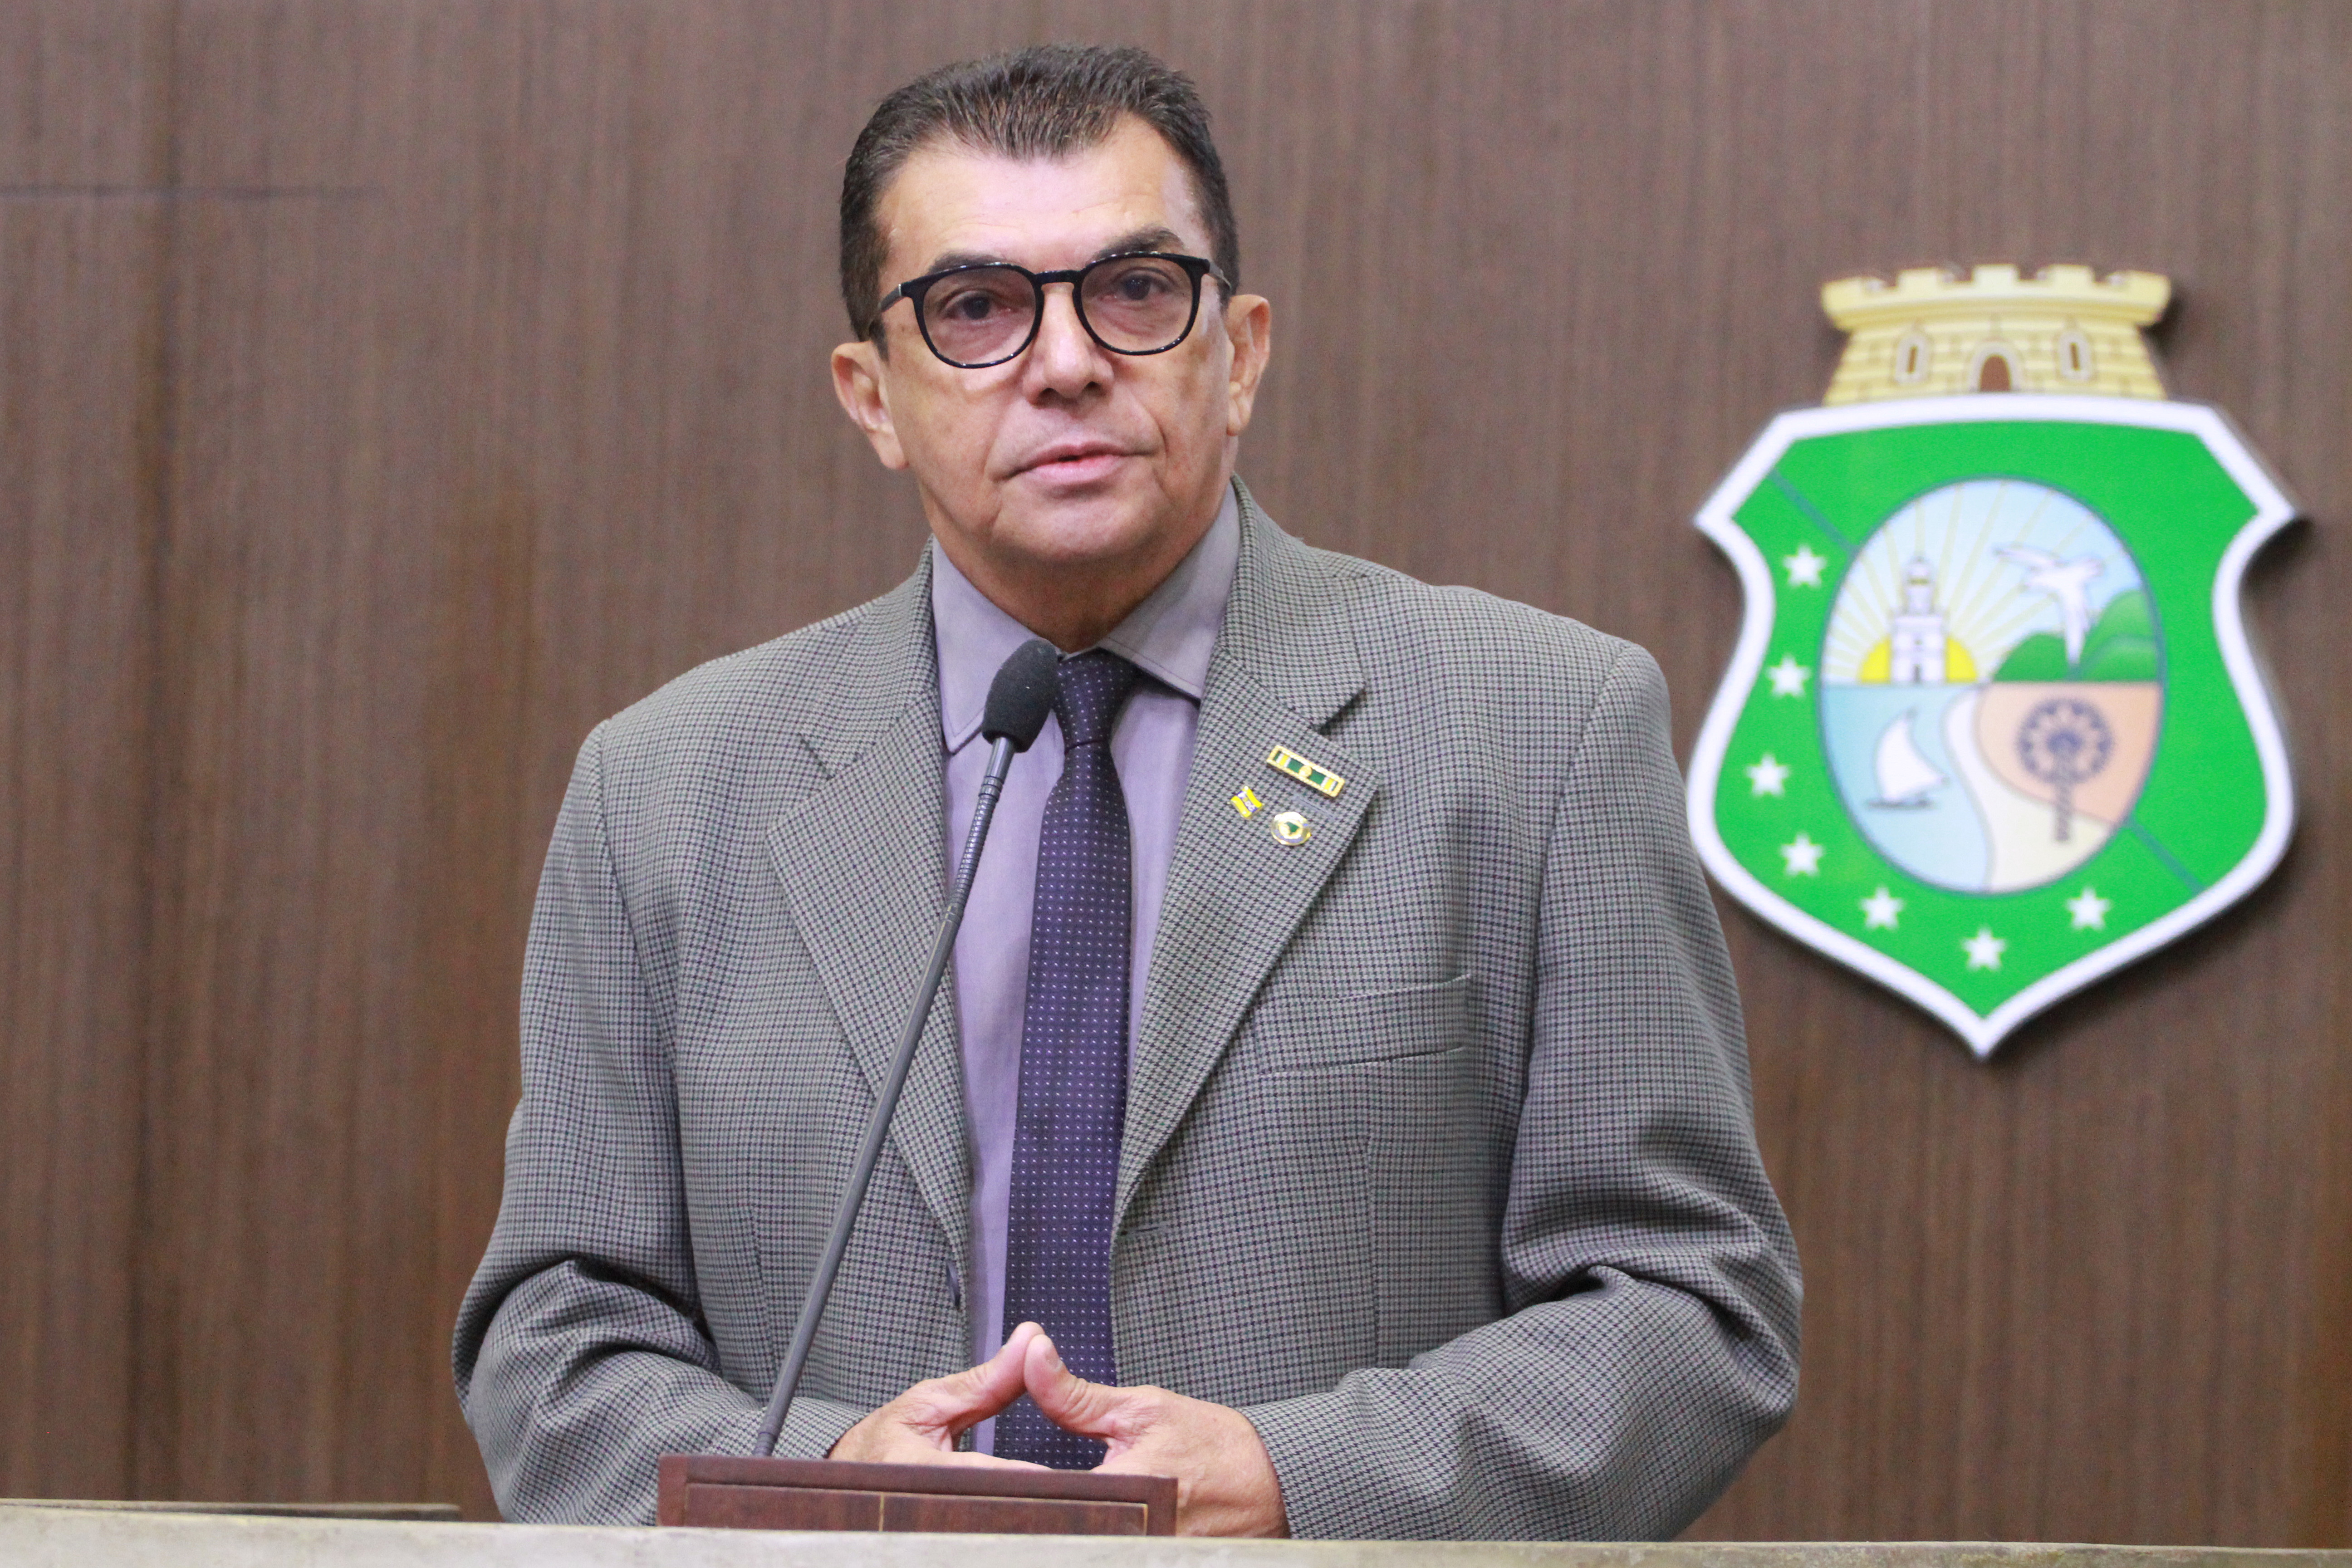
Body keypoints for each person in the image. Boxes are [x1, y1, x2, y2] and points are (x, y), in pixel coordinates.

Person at [454, 43, 1800, 1539]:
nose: (1067, 362)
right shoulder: (667, 792)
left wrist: (1303, 1482)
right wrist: (835, 1487)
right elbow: (557, 1343)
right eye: (976, 308)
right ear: (871, 397)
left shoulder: (1537, 731)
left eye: (1137, 290)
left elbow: (1689, 1307)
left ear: (1242, 354)